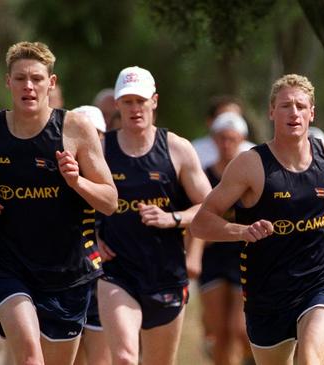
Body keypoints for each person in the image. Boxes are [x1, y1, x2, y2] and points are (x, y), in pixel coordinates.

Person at [0, 41, 117, 365]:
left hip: (67, 271)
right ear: (8, 82)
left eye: (37, 78)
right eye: (20, 78)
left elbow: (110, 201)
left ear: (51, 83)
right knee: (31, 359)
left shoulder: (75, 128)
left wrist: (77, 181)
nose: (28, 86)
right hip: (9, 264)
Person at [191, 74, 324, 365]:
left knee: (309, 359)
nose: (293, 113)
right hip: (267, 293)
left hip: (322, 281)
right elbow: (201, 223)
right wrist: (242, 231)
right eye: (285, 106)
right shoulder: (250, 165)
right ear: (272, 112)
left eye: (300, 106)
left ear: (312, 113)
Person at [96, 66, 212, 365]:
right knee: (124, 357)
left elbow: (210, 207)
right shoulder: (101, 149)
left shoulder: (177, 149)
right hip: (116, 273)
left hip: (166, 275)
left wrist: (172, 218)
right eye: (128, 102)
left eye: (141, 101)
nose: (135, 108)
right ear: (118, 105)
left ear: (154, 101)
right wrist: (92, 237)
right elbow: (74, 204)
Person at [189, 111, 251, 365]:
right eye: (222, 138)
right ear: (214, 140)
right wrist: (194, 254)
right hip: (213, 258)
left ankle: (254, 357)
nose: (227, 144)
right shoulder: (205, 176)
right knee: (219, 332)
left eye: (232, 139)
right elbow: (197, 217)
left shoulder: (251, 177)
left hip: (244, 257)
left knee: (241, 329)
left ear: (242, 140)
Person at [70, 105, 112, 365]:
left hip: (105, 280)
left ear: (104, 138)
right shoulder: (57, 172)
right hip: (64, 277)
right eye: (78, 132)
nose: (86, 139)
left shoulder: (117, 174)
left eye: (94, 133)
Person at [191, 95, 255, 169]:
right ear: (209, 121)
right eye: (223, 117)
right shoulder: (195, 151)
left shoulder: (254, 154)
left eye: (235, 117)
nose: (229, 121)